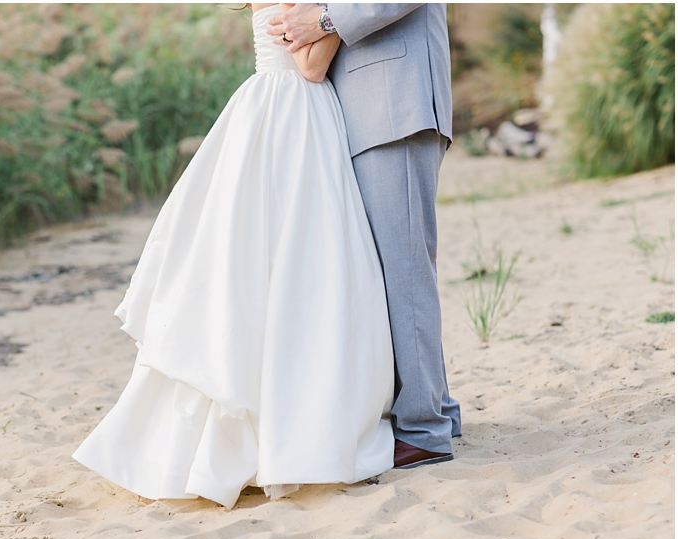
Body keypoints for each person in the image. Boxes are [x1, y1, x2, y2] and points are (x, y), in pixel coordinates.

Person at [73, 3, 396, 509]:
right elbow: (311, 68)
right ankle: (296, 419)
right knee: (303, 262)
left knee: (247, 258)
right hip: (299, 113)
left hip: (262, 107)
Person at [267, 3, 462, 469]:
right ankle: (439, 412)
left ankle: (424, 430)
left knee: (404, 270)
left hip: (394, 100)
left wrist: (325, 20)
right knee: (400, 267)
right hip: (368, 106)